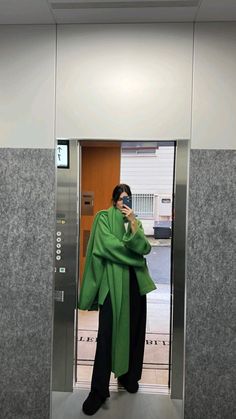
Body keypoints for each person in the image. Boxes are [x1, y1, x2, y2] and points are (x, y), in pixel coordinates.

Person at [78, 184, 156, 415]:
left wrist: (133, 223)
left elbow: (145, 247)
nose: (125, 203)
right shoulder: (103, 219)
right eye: (121, 199)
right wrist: (133, 255)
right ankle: (98, 391)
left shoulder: (135, 221)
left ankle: (128, 377)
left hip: (134, 285)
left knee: (133, 333)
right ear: (114, 201)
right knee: (105, 338)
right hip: (111, 285)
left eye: (128, 199)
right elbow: (108, 247)